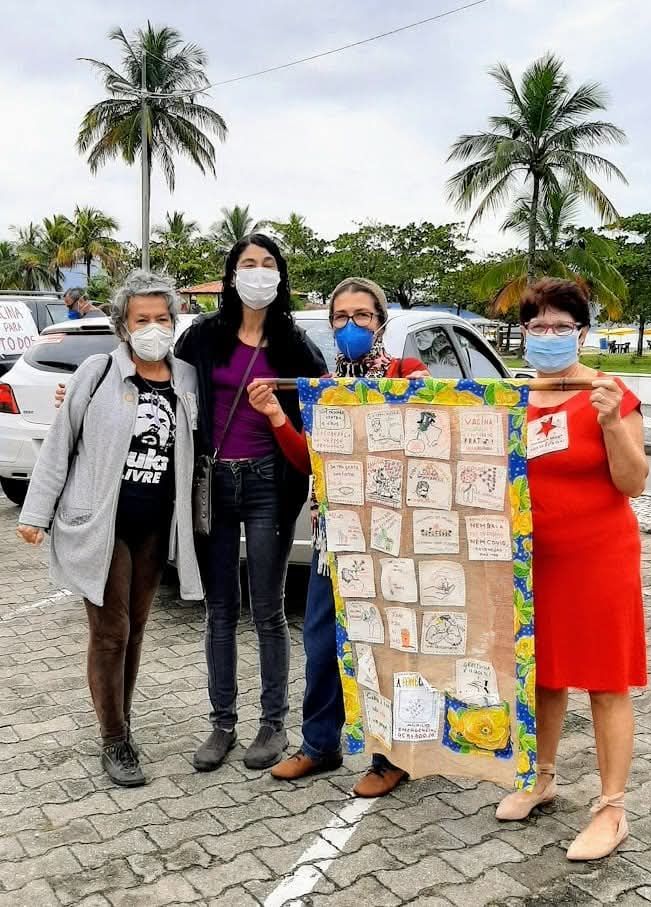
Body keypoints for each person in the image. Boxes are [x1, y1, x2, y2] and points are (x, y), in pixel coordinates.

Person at [17, 271, 202, 787]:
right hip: (100, 523)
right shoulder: (97, 372)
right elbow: (60, 443)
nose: (153, 327)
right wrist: (35, 513)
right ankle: (114, 740)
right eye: (142, 319)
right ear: (123, 324)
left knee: (136, 629)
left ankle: (121, 721)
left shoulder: (186, 378)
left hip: (154, 526)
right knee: (110, 630)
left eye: (162, 318)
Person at [248, 277, 429, 797]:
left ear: (381, 322)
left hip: (397, 540)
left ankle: (390, 755)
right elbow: (310, 461)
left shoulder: (407, 374)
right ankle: (319, 744)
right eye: (340, 317)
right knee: (321, 640)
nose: (350, 326)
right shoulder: (323, 388)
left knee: (391, 646)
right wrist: (280, 417)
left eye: (362, 316)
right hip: (337, 537)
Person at [494, 278, 648, 860]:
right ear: (524, 334)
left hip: (599, 557)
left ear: (581, 333)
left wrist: (610, 422)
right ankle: (542, 777)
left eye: (562, 326)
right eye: (538, 327)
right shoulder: (516, 399)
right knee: (544, 674)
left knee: (606, 682)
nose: (549, 336)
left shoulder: (610, 393)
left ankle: (611, 809)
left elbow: (633, 482)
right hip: (535, 561)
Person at [175, 233, 327, 773]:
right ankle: (221, 724)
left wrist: (276, 414)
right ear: (231, 274)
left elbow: (322, 421)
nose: (257, 273)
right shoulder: (202, 338)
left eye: (267, 264)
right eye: (247, 263)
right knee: (220, 609)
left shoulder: (296, 346)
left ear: (280, 276)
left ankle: (272, 724)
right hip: (214, 482)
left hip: (270, 485)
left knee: (267, 608)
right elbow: (165, 389)